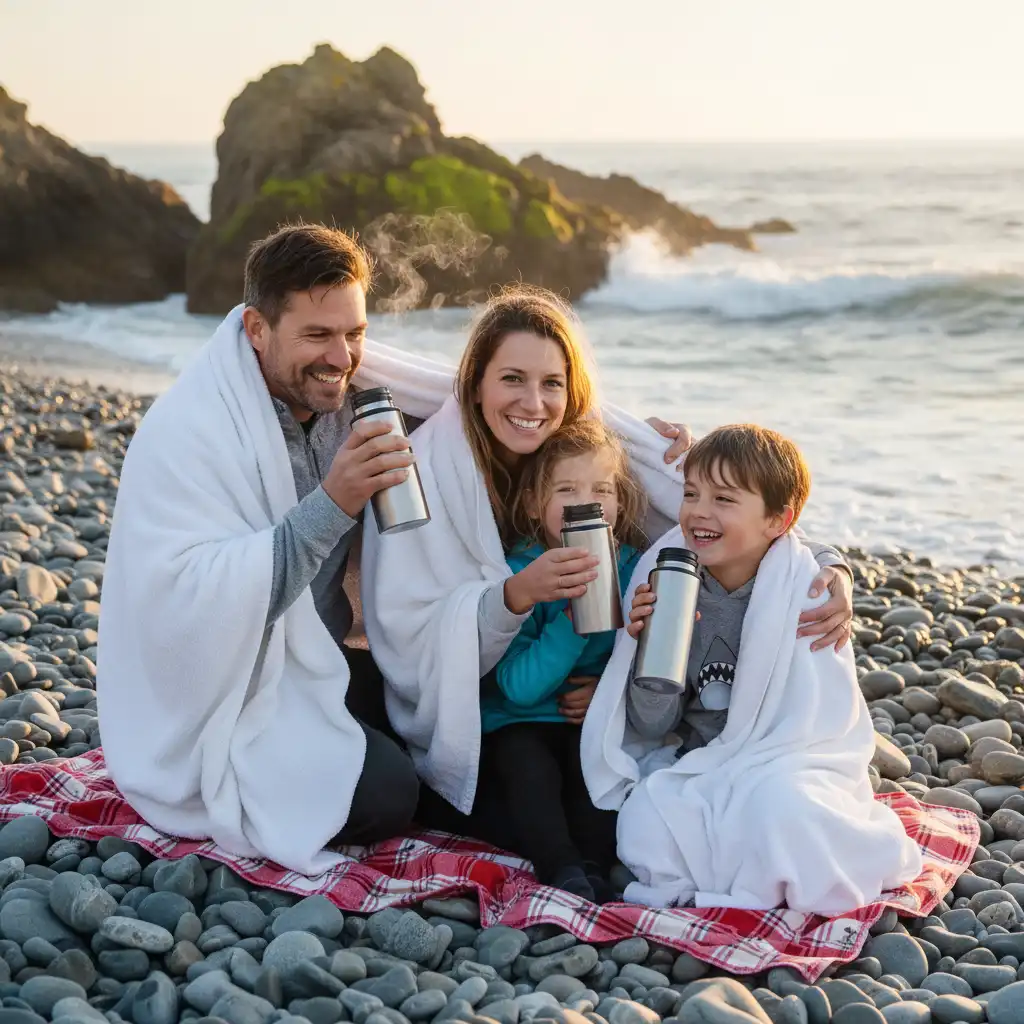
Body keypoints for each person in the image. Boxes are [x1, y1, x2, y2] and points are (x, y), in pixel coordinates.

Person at [361, 287, 856, 869]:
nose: (534, 401)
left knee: (603, 830)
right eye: (512, 378)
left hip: (579, 716)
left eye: (552, 383)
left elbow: (743, 518)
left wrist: (830, 567)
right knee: (527, 797)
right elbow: (407, 618)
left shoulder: (600, 454)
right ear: (475, 383)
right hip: (486, 712)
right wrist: (520, 595)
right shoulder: (430, 470)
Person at [98, 225, 424, 872]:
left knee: (455, 714)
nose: (342, 357)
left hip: (329, 658)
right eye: (317, 336)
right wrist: (334, 502)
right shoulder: (188, 429)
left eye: (354, 334)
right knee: (391, 792)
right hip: (235, 690)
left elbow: (494, 417)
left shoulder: (361, 403)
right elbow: (187, 600)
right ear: (256, 328)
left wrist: (645, 449)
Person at [582, 425, 923, 913]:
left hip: (786, 760)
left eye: (724, 498)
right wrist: (648, 650)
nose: (699, 511)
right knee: (645, 818)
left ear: (778, 521)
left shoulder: (803, 588)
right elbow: (651, 725)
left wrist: (838, 568)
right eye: (692, 493)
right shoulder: (668, 577)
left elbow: (819, 724)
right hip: (699, 761)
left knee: (781, 809)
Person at [480, 418, 645, 902]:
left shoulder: (635, 566)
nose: (587, 501)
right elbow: (516, 687)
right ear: (535, 503)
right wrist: (578, 614)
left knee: (597, 781)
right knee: (530, 769)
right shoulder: (519, 570)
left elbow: (644, 659)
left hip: (587, 723)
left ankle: (592, 866)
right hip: (518, 722)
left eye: (602, 488)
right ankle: (561, 867)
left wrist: (607, 692)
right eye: (567, 488)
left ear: (620, 499)